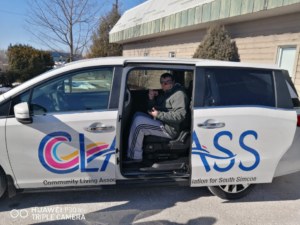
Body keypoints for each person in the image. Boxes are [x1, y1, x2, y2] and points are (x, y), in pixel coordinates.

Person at [127, 73, 189, 162]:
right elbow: (152, 109)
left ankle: (135, 158)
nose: (165, 84)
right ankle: (132, 152)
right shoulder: (166, 93)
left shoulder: (179, 94)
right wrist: (151, 99)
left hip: (169, 128)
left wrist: (158, 114)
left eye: (168, 82)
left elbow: (180, 116)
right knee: (137, 115)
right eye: (162, 83)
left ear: (173, 82)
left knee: (139, 123)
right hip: (161, 122)